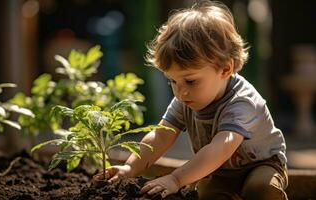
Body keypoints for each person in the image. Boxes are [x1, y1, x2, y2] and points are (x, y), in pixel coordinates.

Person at [96, 1, 288, 199]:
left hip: (261, 164)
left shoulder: (242, 102)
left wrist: (176, 179)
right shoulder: (186, 98)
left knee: (261, 188)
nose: (180, 92)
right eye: (172, 81)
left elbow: (220, 149)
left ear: (225, 69)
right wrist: (129, 168)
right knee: (207, 194)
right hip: (219, 171)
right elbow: (161, 136)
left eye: (190, 81)